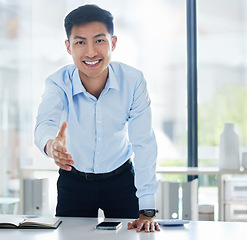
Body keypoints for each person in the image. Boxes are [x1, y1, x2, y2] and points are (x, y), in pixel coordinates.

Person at [34, 4, 159, 233]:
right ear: (68, 47)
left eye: (99, 40)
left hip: (121, 179)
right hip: (74, 180)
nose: (91, 52)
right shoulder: (57, 83)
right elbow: (45, 124)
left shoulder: (133, 82)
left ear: (113, 43)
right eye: (80, 42)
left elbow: (143, 143)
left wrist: (147, 208)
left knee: (132, 237)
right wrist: (51, 146)